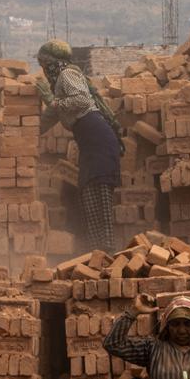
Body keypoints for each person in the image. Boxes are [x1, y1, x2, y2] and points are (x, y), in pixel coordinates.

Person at [36, 39, 123, 252]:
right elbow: (48, 118)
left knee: (99, 195)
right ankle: (97, 253)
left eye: (45, 64)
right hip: (90, 143)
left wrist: (53, 102)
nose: (44, 69)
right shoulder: (59, 85)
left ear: (53, 62)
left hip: (98, 140)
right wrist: (22, 132)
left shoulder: (67, 75)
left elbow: (82, 100)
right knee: (88, 193)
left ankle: (107, 254)